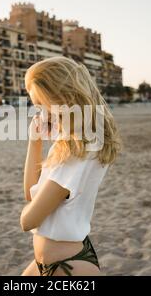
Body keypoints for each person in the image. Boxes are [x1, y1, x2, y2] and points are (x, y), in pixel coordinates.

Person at [20, 57, 121, 276]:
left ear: (63, 99)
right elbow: (31, 194)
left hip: (70, 266)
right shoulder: (68, 143)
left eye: (41, 105)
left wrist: (27, 213)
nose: (39, 114)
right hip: (48, 264)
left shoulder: (79, 151)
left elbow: (28, 220)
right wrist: (34, 141)